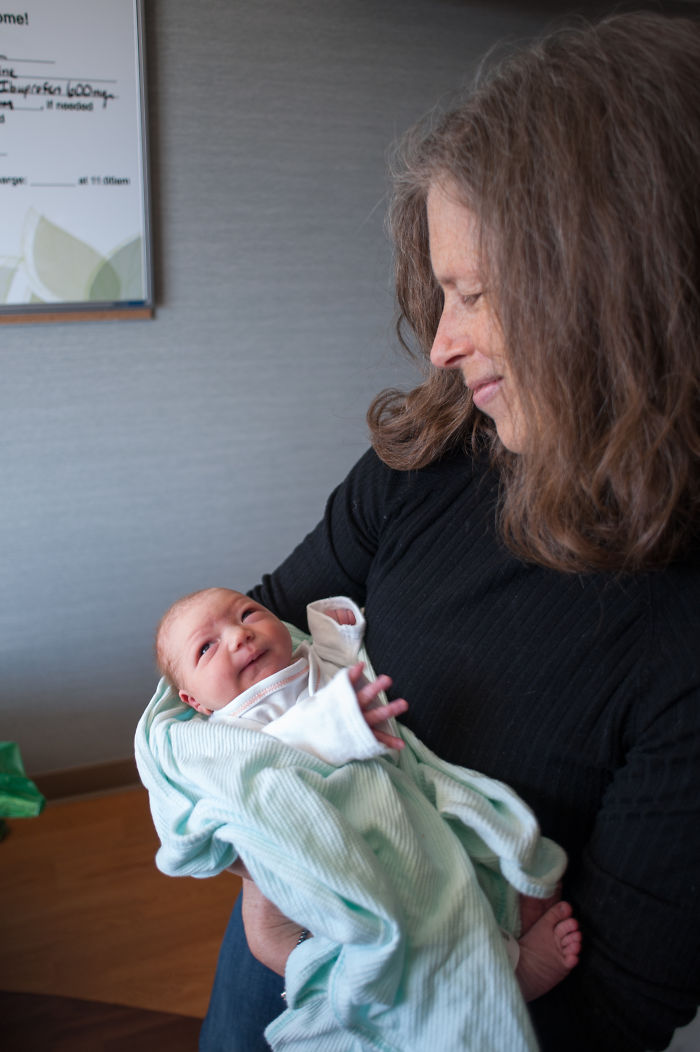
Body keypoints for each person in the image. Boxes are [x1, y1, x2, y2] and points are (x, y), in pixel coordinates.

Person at [199, 11, 700, 1052]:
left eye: (475, 293)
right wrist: (268, 891)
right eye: (441, 290)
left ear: (621, 298)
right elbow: (253, 637)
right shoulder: (433, 459)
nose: (440, 342)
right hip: (274, 955)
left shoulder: (676, 629)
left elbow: (609, 1008)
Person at [137, 587, 580, 1047]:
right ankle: (485, 985)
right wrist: (332, 728)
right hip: (324, 850)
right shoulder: (219, 733)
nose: (239, 635)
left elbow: (345, 650)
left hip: (393, 811)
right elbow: (247, 776)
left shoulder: (311, 660)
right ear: (194, 702)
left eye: (248, 613)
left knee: (442, 892)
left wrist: (338, 625)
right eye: (206, 647)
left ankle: (502, 968)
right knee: (374, 930)